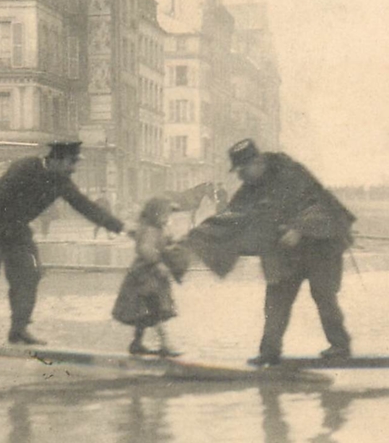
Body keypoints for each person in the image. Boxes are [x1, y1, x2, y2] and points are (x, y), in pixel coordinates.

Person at [186, 139, 357, 366]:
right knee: (276, 299)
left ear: (257, 162)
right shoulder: (250, 188)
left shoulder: (292, 173)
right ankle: (269, 352)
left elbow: (320, 204)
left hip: (320, 246)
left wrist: (299, 227)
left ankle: (340, 347)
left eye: (242, 170)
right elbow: (232, 217)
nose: (240, 176)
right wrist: (199, 236)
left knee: (324, 296)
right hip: (286, 252)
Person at [0, 141, 125, 345]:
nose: (74, 169)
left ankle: (19, 329)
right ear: (57, 160)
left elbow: (85, 206)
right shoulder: (26, 167)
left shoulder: (62, 182)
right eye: (71, 163)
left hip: (17, 230)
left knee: (30, 273)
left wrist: (119, 227)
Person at [112, 197, 186, 357]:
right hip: (146, 276)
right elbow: (145, 249)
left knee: (144, 311)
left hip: (150, 277)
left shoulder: (155, 228)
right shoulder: (151, 230)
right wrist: (158, 262)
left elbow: (161, 244)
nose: (168, 218)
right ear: (155, 214)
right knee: (155, 309)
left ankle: (137, 343)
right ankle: (165, 344)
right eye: (165, 214)